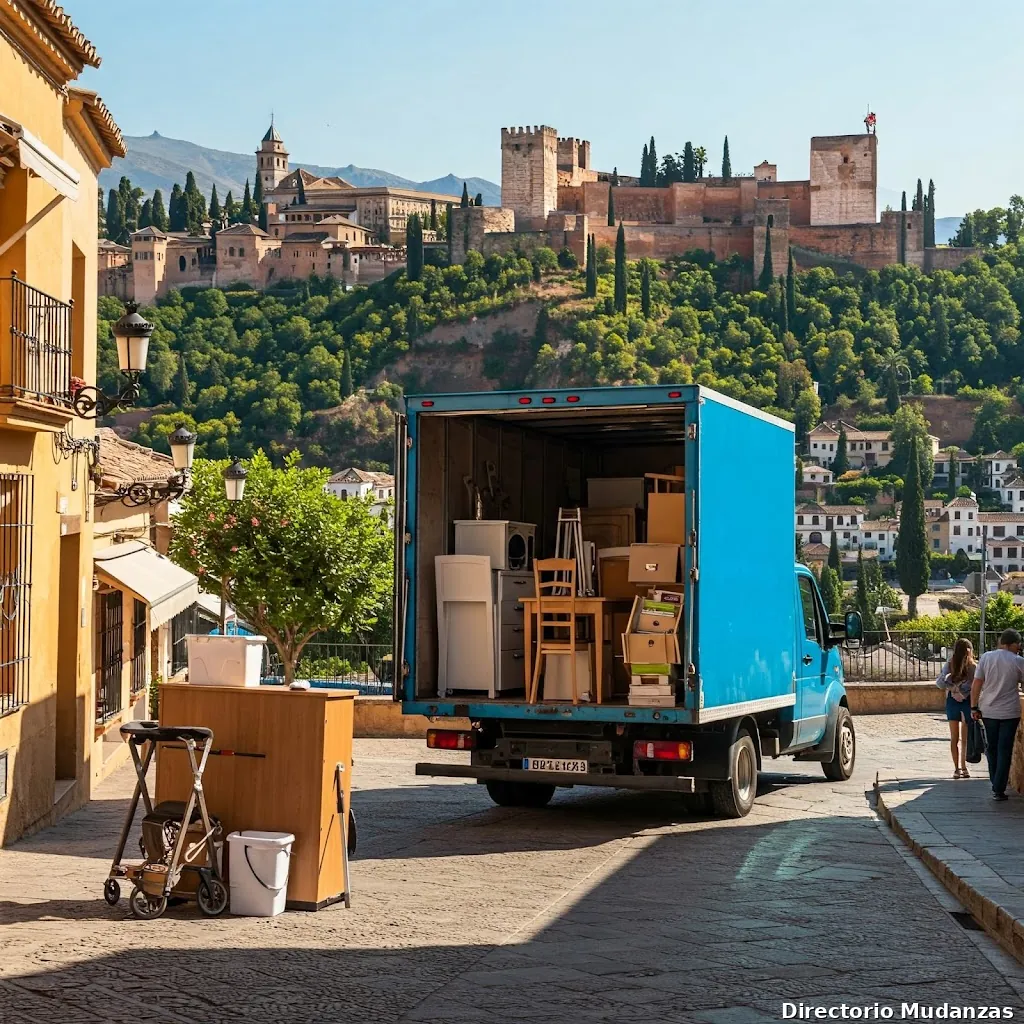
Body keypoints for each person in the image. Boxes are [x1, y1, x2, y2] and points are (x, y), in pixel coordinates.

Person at [971, 628, 1024, 802]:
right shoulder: (1018, 661)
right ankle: (998, 788)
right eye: (1018, 644)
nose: (1019, 647)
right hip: (1010, 712)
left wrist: (974, 707)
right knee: (1005, 749)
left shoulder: (987, 657)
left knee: (992, 748)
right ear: (1012, 643)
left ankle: (995, 782)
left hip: (988, 710)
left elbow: (977, 683)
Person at [937, 638, 975, 778]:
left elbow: (940, 683)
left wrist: (952, 685)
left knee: (954, 737)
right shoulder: (973, 666)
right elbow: (976, 685)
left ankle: (956, 769)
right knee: (964, 737)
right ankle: (964, 767)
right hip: (967, 702)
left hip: (952, 700)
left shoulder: (949, 664)